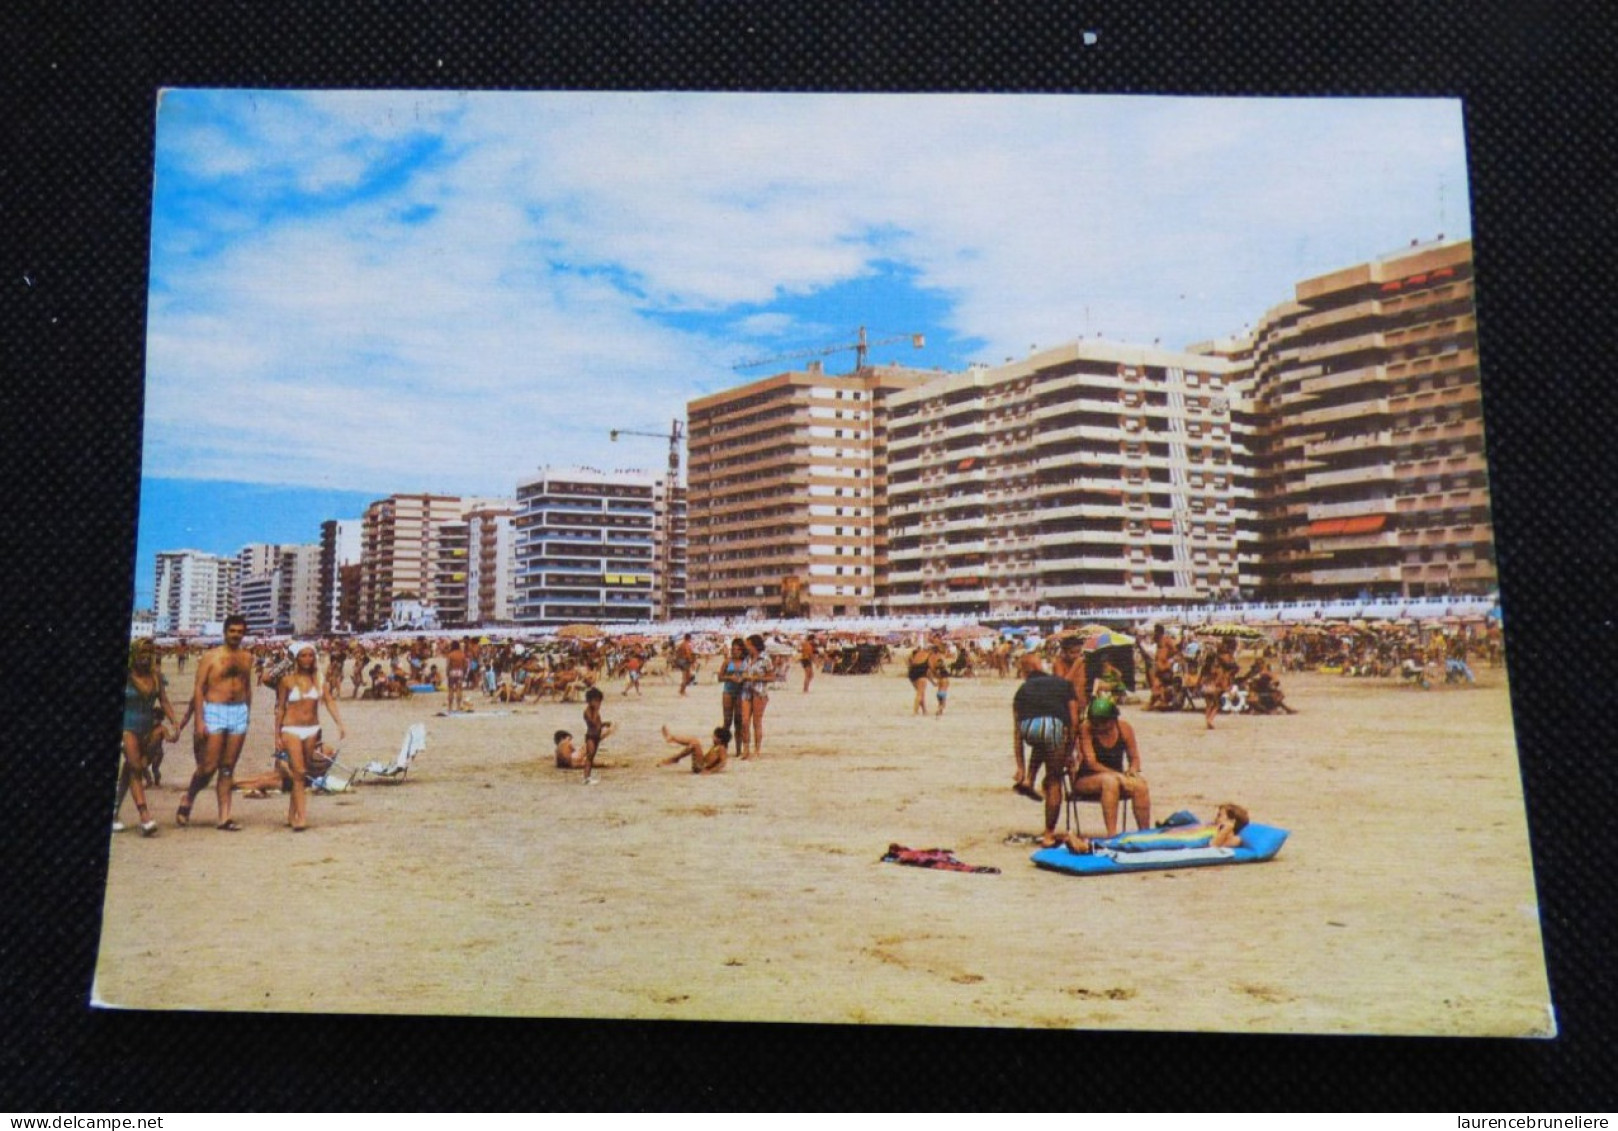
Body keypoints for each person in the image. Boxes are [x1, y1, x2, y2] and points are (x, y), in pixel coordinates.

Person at [181, 614, 255, 831]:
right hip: (214, 710)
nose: (236, 635)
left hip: (238, 712)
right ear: (225, 632)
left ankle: (224, 816)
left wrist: (247, 714)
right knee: (208, 767)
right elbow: (199, 689)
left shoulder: (246, 658)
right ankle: (188, 797)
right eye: (232, 631)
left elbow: (247, 687)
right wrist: (199, 722)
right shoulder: (211, 656)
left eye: (240, 632)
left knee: (228, 767)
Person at [273, 641, 347, 831]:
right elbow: (280, 708)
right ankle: (302, 818)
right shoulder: (287, 681)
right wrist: (277, 735)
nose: (307, 659)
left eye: (310, 655)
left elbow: (329, 701)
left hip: (312, 729)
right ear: (296, 658)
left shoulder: (319, 680)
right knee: (299, 771)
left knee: (302, 773)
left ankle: (291, 813)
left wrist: (340, 723)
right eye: (303, 655)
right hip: (291, 729)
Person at [1011, 653, 1081, 849]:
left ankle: (1028, 779)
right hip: (1053, 726)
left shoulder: (1022, 689)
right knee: (1053, 780)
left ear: (1025, 673)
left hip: (1028, 728)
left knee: (1041, 743)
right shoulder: (1063, 684)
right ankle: (1049, 834)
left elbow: (1017, 732)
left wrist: (1020, 767)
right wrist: (1069, 751)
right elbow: (1074, 721)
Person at [115, 638, 180, 836]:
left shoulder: (156, 676)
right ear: (134, 654)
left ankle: (115, 811)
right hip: (127, 727)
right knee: (136, 767)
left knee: (130, 769)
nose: (144, 659)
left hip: (147, 727)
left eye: (148, 654)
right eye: (141, 654)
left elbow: (164, 700)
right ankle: (145, 816)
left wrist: (174, 722)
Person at [1070, 696, 1151, 836]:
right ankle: (1112, 834)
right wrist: (1117, 775)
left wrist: (1132, 770)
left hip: (1116, 776)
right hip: (1087, 778)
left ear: (1112, 720)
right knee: (1110, 782)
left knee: (1140, 785)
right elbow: (1091, 762)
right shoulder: (1086, 729)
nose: (1098, 726)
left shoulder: (1124, 729)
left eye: (1101, 723)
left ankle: (1145, 833)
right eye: (1095, 723)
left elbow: (1135, 758)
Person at [1197, 638, 1239, 730]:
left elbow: (1202, 674)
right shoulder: (1226, 659)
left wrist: (1199, 684)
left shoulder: (1212, 661)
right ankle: (1210, 720)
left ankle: (1207, 720)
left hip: (1206, 684)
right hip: (1215, 685)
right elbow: (1230, 671)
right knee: (1216, 704)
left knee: (1209, 704)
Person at [742, 634, 771, 758]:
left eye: (749, 645)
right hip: (746, 690)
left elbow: (771, 676)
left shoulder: (765, 659)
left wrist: (757, 678)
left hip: (759, 691)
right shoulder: (747, 658)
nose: (747, 647)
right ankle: (746, 749)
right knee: (744, 721)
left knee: (756, 722)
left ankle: (757, 749)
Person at [719, 638, 749, 759]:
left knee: (739, 722)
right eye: (734, 649)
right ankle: (723, 748)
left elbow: (749, 675)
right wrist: (730, 678)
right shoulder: (727, 662)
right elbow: (720, 677)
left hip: (741, 691)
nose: (735, 651)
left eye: (738, 649)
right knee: (727, 721)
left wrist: (743, 678)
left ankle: (738, 749)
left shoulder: (746, 662)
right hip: (728, 691)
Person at [659, 724, 730, 774]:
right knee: (694, 742)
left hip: (701, 767)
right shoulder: (716, 746)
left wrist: (710, 771)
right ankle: (672, 739)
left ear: (720, 739)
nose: (712, 737)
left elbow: (723, 763)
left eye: (714, 736)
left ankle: (674, 754)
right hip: (701, 764)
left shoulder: (721, 748)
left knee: (695, 743)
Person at [580, 687, 613, 784]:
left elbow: (598, 724)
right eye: (596, 701)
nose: (598, 704)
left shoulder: (596, 711)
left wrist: (604, 724)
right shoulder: (588, 711)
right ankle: (586, 777)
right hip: (590, 736)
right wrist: (596, 711)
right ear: (590, 701)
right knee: (589, 757)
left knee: (592, 757)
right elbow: (593, 723)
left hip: (596, 736)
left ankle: (588, 776)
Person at [907, 638, 934, 716]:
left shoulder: (918, 653)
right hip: (921, 674)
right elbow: (929, 671)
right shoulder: (930, 656)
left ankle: (924, 711)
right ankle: (914, 712)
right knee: (920, 693)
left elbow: (910, 662)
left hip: (912, 674)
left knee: (921, 693)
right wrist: (933, 682)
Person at [445, 638, 469, 712]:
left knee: (451, 689)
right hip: (460, 672)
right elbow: (466, 665)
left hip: (452, 672)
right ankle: (458, 706)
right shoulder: (462, 654)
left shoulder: (450, 654)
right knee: (459, 689)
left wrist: (447, 672)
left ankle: (450, 707)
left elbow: (448, 665)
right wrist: (464, 673)